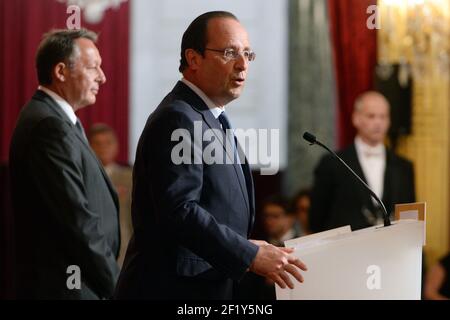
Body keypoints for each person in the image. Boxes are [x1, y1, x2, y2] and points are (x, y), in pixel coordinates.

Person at [114, 11, 307, 300]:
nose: (242, 65)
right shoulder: (178, 118)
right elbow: (180, 210)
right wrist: (249, 254)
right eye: (230, 53)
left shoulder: (207, 116)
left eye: (247, 54)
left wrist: (246, 247)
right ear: (194, 59)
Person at [9, 29, 120, 299]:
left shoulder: (55, 118)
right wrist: (119, 287)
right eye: (93, 67)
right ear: (61, 71)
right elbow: (77, 222)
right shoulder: (49, 126)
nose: (102, 77)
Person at [310, 91, 415, 232]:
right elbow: (317, 219)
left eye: (383, 117)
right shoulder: (332, 163)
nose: (378, 122)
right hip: (346, 250)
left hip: (389, 249)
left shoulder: (404, 167)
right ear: (356, 119)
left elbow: (410, 218)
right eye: (371, 116)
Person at [88, 124, 133, 268]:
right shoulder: (82, 177)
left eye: (108, 143)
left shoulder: (130, 176)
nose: (103, 148)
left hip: (123, 251)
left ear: (116, 145)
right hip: (90, 250)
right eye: (97, 143)